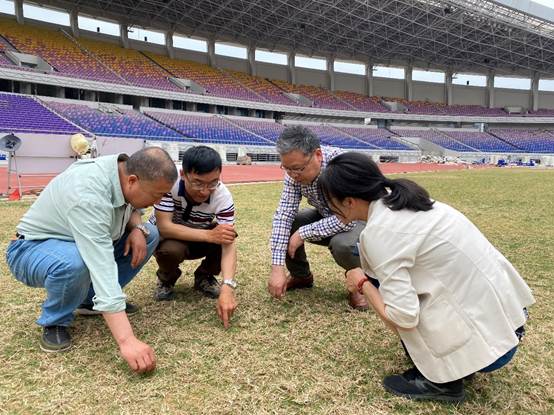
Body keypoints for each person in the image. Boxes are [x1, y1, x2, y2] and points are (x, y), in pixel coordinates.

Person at [318, 151, 535, 402]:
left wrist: (362, 283)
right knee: (381, 278)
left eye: (330, 202)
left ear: (348, 201)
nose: (329, 209)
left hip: (495, 347)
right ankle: (461, 361)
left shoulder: (380, 232)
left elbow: (403, 319)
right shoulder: (411, 202)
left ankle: (443, 383)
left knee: (376, 283)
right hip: (509, 323)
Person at [6, 147, 177, 374]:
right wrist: (127, 340)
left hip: (79, 241)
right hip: (31, 248)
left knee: (149, 233)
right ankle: (56, 320)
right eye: (156, 195)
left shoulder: (123, 171)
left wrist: (138, 228)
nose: (158, 202)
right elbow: (101, 264)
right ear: (132, 181)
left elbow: (132, 206)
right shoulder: (88, 194)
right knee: (75, 262)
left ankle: (88, 301)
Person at [268, 125, 368, 310]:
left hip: (360, 221)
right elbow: (284, 214)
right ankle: (301, 276)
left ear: (318, 155)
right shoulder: (293, 173)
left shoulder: (342, 165)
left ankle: (360, 284)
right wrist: (277, 267)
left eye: (298, 169)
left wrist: (303, 233)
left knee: (343, 244)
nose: (293, 175)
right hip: (327, 214)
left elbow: (348, 219)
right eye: (287, 169)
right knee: (290, 222)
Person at [151, 146, 238, 328]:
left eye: (213, 183)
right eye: (198, 183)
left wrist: (228, 285)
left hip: (200, 237)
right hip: (173, 237)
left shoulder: (223, 196)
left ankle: (205, 277)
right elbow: (164, 227)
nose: (205, 191)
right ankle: (167, 278)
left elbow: (229, 244)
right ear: (183, 174)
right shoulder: (169, 183)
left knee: (225, 234)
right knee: (169, 251)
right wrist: (209, 235)